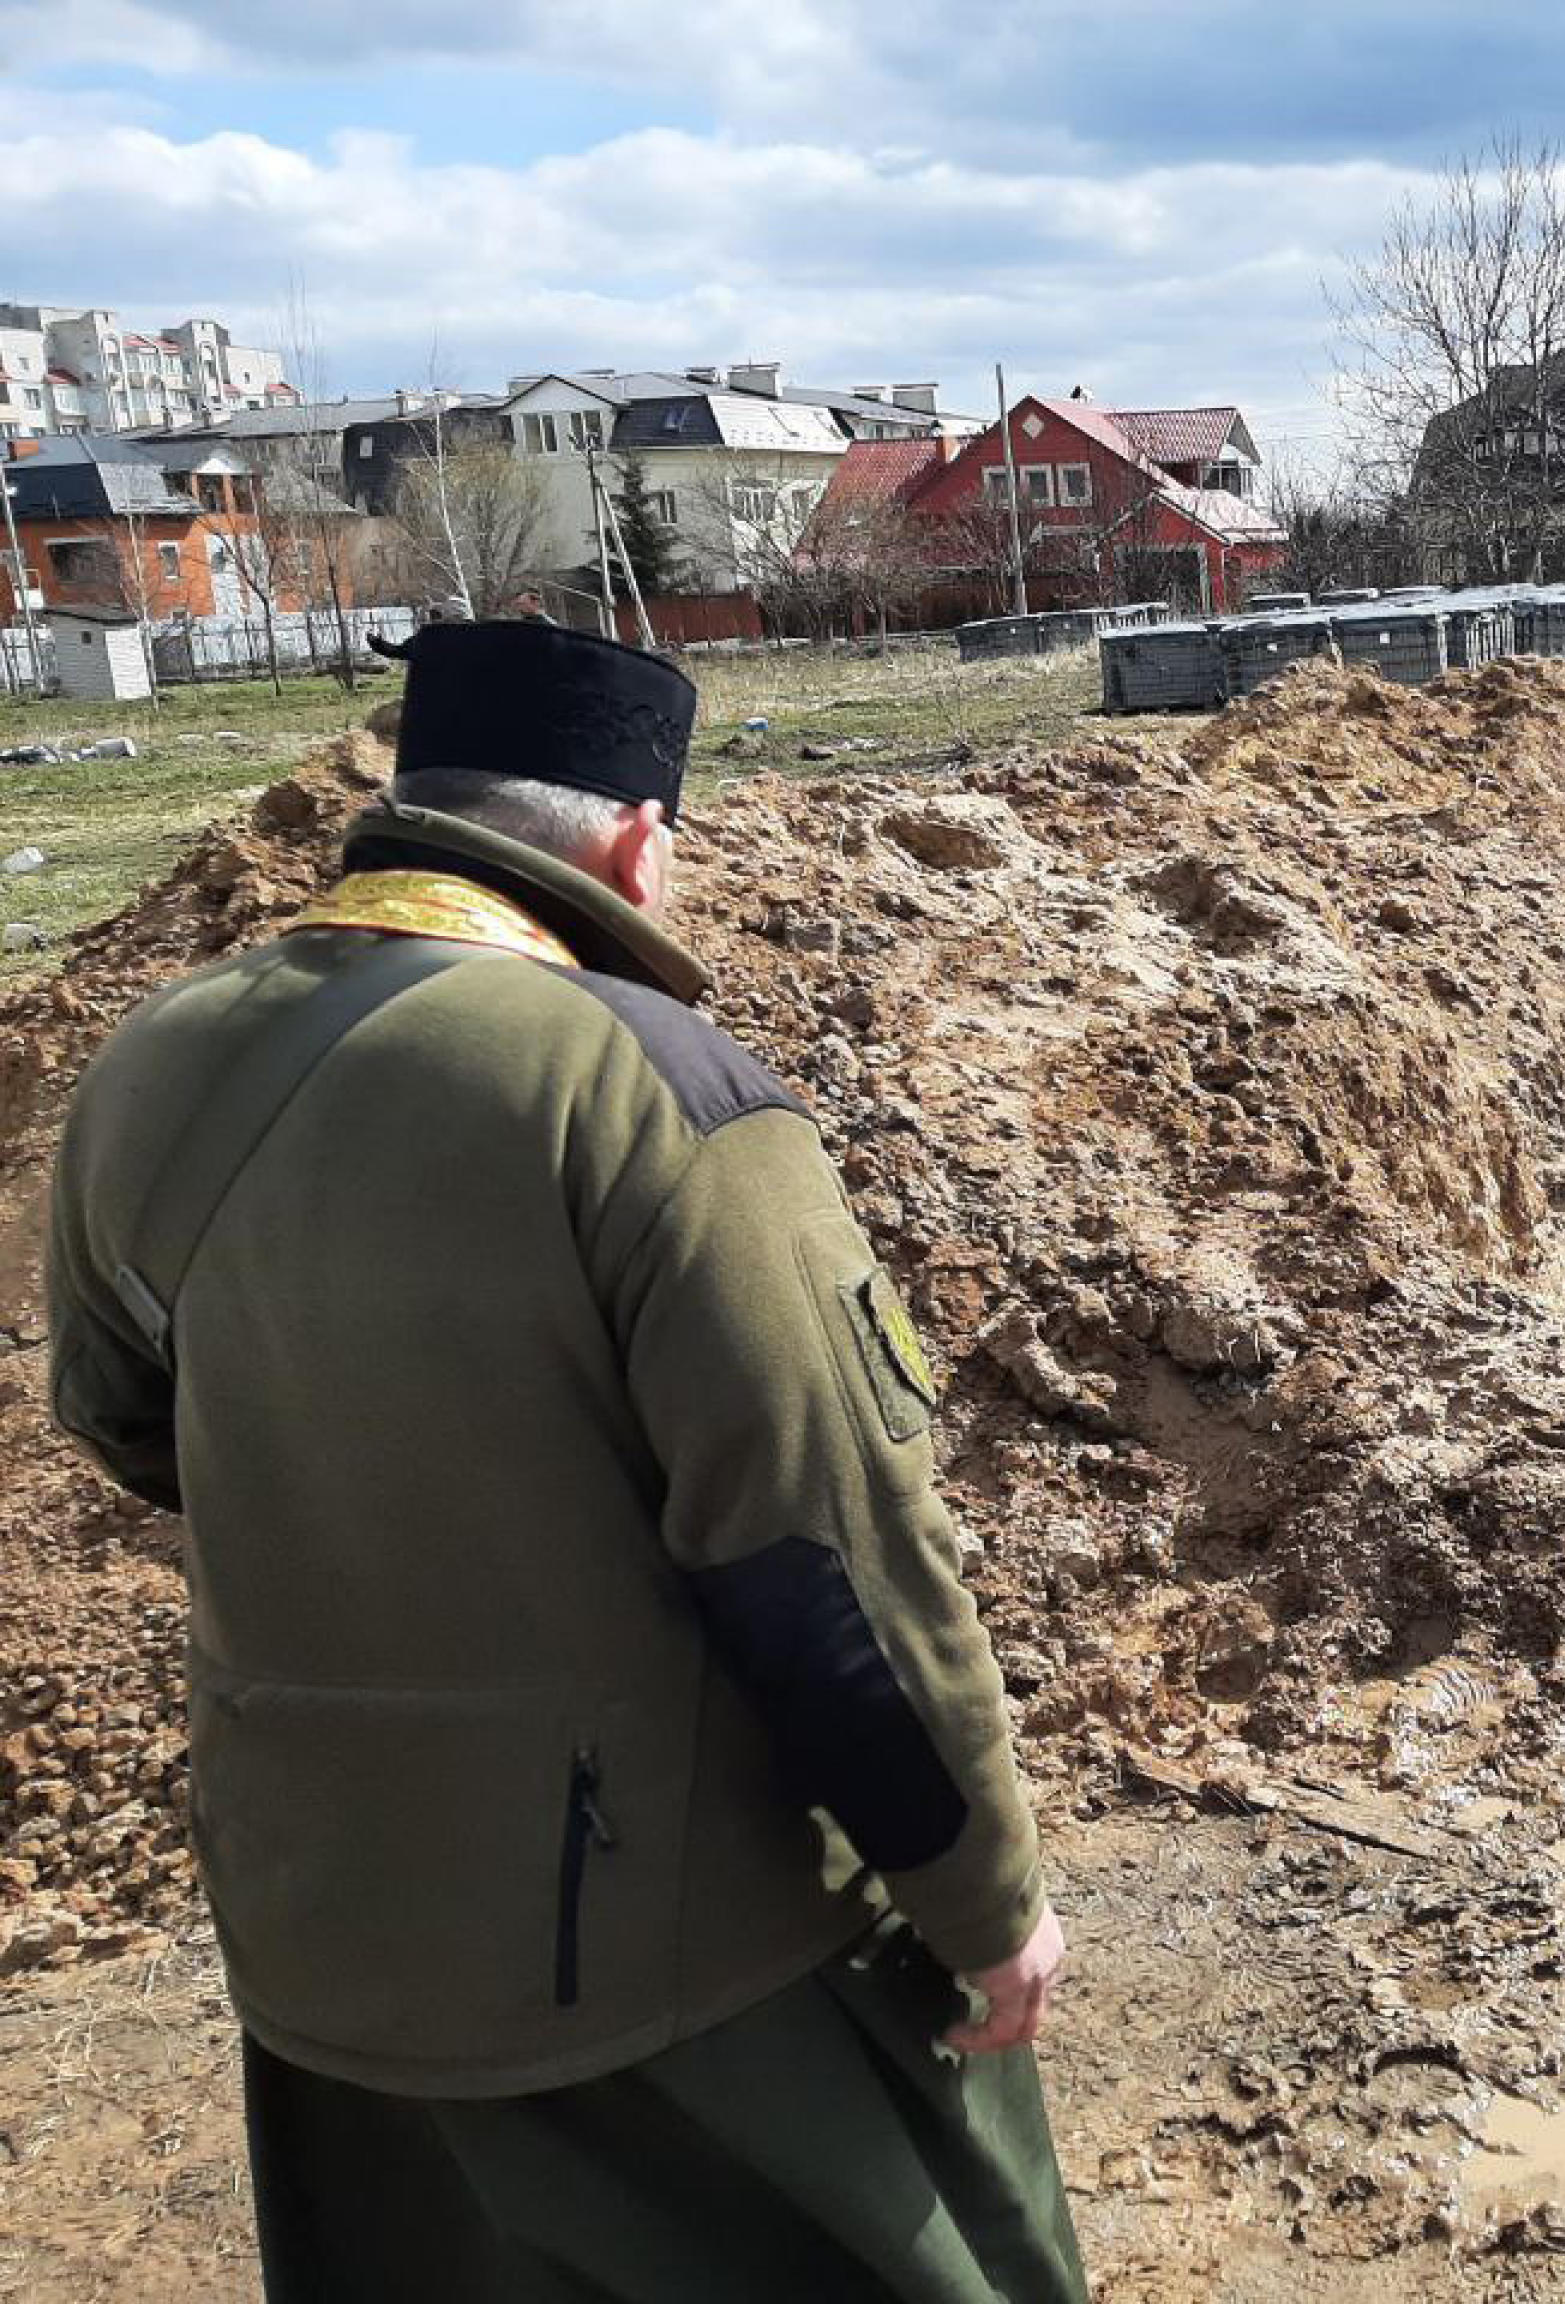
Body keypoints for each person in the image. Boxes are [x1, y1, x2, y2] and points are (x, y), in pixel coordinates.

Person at [46, 621, 1085, 2304]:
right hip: (663, 1968)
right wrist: (986, 1902)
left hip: (318, 1927)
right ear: (636, 843)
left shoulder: (153, 1060)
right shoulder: (649, 1087)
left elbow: (121, 1422)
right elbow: (825, 1566)